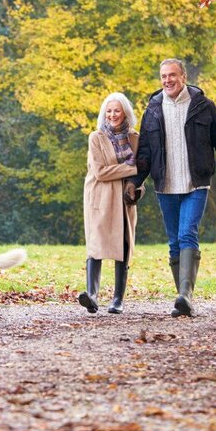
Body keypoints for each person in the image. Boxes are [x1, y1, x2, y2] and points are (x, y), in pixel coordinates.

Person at [125, 59, 216, 318]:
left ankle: (186, 296)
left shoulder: (203, 107)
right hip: (165, 185)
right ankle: (182, 299)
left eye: (172, 75)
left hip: (196, 183)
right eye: (163, 76)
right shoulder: (154, 109)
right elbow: (145, 153)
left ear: (183, 76)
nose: (167, 80)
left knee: (187, 233)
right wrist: (135, 183)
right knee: (174, 242)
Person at [79, 92, 146, 315]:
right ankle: (92, 295)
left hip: (124, 199)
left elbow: (142, 174)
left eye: (117, 110)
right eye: (108, 111)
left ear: (125, 112)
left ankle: (118, 299)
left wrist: (138, 187)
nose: (112, 115)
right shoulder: (96, 137)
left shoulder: (136, 138)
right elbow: (100, 172)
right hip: (100, 196)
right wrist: (133, 168)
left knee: (124, 246)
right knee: (96, 245)